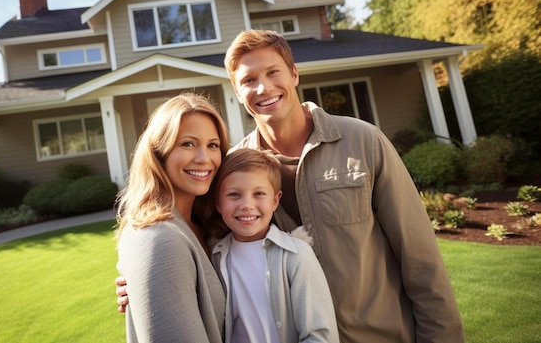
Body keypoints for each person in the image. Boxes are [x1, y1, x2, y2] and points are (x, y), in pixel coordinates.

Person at [118, 30, 465, 343]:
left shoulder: (363, 141)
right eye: (249, 80)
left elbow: (421, 259)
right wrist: (144, 280)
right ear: (237, 93)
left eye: (272, 73)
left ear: (294, 74)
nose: (263, 88)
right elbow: (205, 247)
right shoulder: (230, 168)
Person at [115, 92, 229, 343]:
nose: (204, 159)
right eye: (188, 143)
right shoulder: (158, 239)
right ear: (159, 153)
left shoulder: (206, 227)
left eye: (213, 145)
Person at [210, 148, 340, 343]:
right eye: (234, 194)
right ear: (218, 202)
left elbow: (321, 335)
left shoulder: (296, 255)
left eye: (259, 193)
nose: (247, 205)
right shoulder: (215, 258)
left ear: (275, 200)